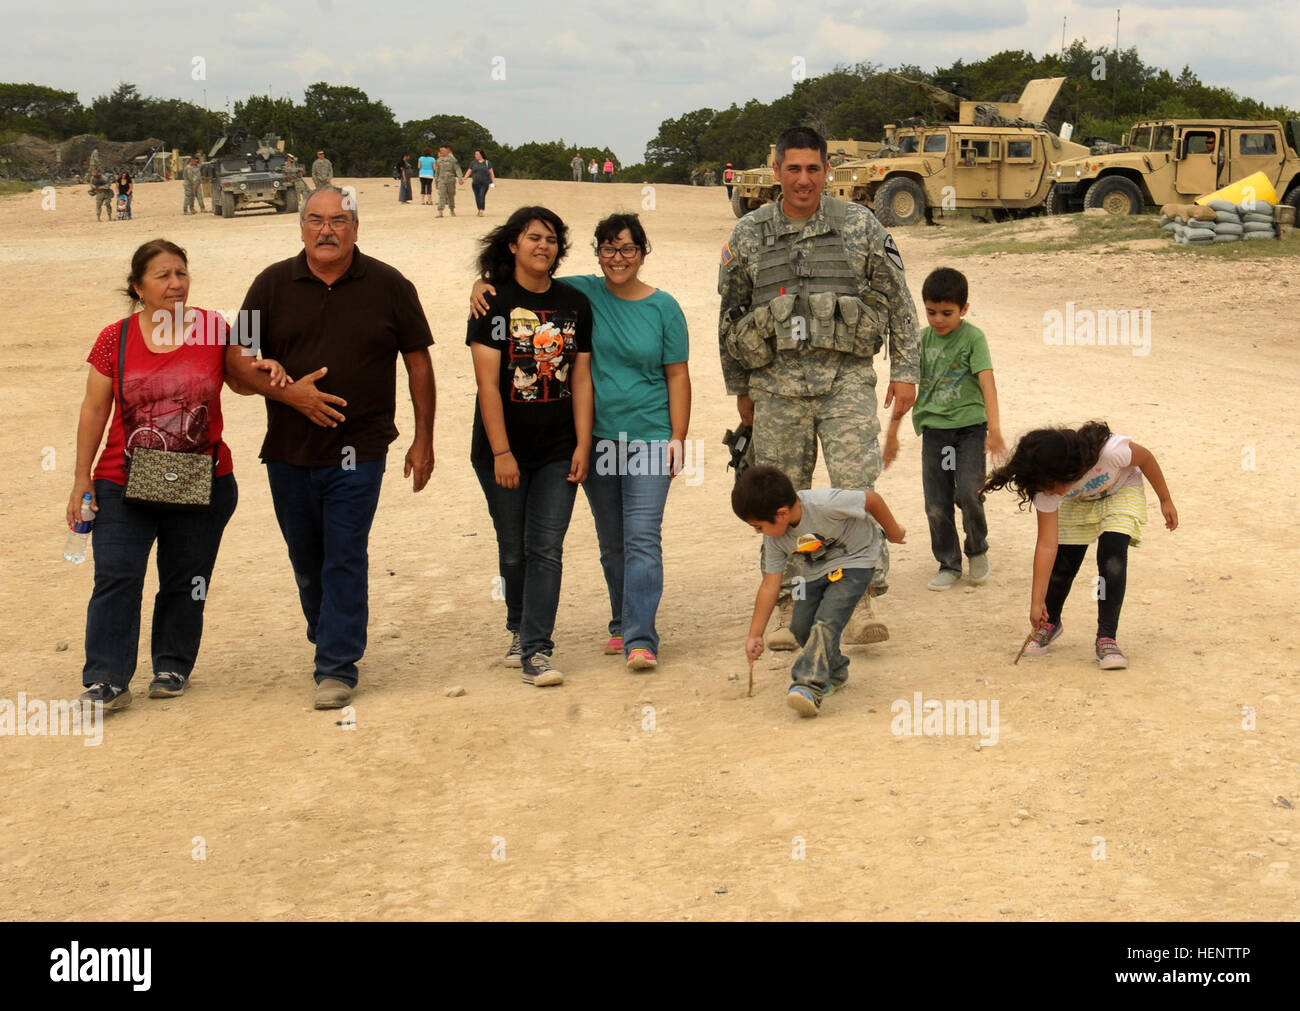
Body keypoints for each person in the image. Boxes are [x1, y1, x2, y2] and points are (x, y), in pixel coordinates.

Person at [225, 185, 437, 709]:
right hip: (287, 450)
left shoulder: (390, 285)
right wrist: (289, 394)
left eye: (339, 221)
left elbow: (418, 363)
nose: (327, 230)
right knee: (306, 556)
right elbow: (234, 362)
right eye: (316, 220)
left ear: (356, 229)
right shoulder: (270, 284)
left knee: (344, 552)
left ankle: (337, 666)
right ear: (301, 227)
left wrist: (423, 438)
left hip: (360, 448)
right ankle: (327, 629)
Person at [718, 125, 919, 650]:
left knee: (855, 486)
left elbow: (898, 298)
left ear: (827, 170)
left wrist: (905, 370)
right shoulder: (749, 234)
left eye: (813, 168)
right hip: (775, 384)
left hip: (845, 379)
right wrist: (740, 386)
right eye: (793, 169)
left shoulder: (860, 225)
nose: (803, 180)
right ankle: (789, 602)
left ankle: (860, 598)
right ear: (777, 171)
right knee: (781, 494)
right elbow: (731, 313)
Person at [69, 239, 286, 710]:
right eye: (163, 276)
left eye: (181, 273)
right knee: (117, 575)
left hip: (200, 476)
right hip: (122, 478)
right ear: (138, 287)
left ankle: (172, 665)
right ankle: (106, 679)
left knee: (186, 578)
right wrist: (81, 478)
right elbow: (93, 410)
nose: (175, 284)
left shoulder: (213, 327)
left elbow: (241, 380)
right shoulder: (114, 338)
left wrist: (266, 368)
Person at [471, 213, 690, 670]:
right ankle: (619, 623)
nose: (618, 258)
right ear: (598, 253)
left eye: (628, 249)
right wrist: (482, 283)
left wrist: (679, 437)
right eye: (609, 248)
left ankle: (640, 639)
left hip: (647, 436)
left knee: (642, 536)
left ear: (642, 254)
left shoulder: (660, 306)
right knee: (611, 542)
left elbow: (677, 374)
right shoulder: (581, 292)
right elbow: (526, 283)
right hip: (598, 438)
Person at [468, 206, 594, 687]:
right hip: (500, 451)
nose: (544, 246)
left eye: (552, 239)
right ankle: (518, 625)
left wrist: (583, 443)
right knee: (513, 549)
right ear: (513, 244)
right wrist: (503, 453)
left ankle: (537, 649)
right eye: (534, 237)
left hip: (558, 448)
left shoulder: (574, 303)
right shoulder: (492, 303)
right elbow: (487, 385)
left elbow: (580, 377)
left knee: (546, 548)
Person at [983, 422, 1179, 670]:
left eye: (1049, 486)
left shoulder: (1110, 451)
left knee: (1112, 556)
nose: (1047, 493)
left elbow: (1146, 459)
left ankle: (1107, 638)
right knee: (1064, 563)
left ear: (1065, 470)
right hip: (1079, 500)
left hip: (1120, 490)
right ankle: (1050, 623)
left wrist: (1165, 500)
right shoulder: (1047, 488)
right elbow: (1046, 545)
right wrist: (1037, 602)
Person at [736, 466, 905, 717]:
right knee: (801, 627)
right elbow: (770, 586)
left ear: (781, 514)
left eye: (758, 527)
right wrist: (755, 635)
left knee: (826, 621)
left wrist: (893, 532)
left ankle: (808, 685)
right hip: (814, 572)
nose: (757, 533)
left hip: (856, 561)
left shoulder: (825, 504)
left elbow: (872, 500)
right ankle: (835, 672)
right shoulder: (775, 539)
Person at [883, 267, 1005, 589]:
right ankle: (948, 564)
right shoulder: (920, 341)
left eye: (947, 313)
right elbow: (904, 391)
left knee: (968, 493)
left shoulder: (973, 338)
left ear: (964, 309)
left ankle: (977, 549)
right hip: (935, 434)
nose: (938, 319)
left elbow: (987, 382)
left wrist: (994, 429)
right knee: (936, 503)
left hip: (969, 431)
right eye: (931, 312)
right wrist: (892, 435)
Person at [461, 149, 496, 217]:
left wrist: (493, 182)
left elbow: (491, 173)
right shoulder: (473, 163)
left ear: (481, 155)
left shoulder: (487, 162)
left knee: (481, 195)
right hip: (475, 183)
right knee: (477, 197)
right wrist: (464, 179)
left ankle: (481, 211)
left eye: (477, 154)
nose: (475, 155)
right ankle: (479, 209)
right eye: (475, 154)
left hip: (484, 183)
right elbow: (469, 171)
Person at [435, 145, 461, 217]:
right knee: (441, 195)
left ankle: (452, 209)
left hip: (450, 180)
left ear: (447, 150)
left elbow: (457, 169)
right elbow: (437, 172)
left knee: (451, 196)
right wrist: (436, 182)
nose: (441, 152)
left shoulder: (453, 160)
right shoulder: (439, 160)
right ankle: (440, 211)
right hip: (441, 180)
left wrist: (460, 178)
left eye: (442, 150)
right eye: (440, 150)